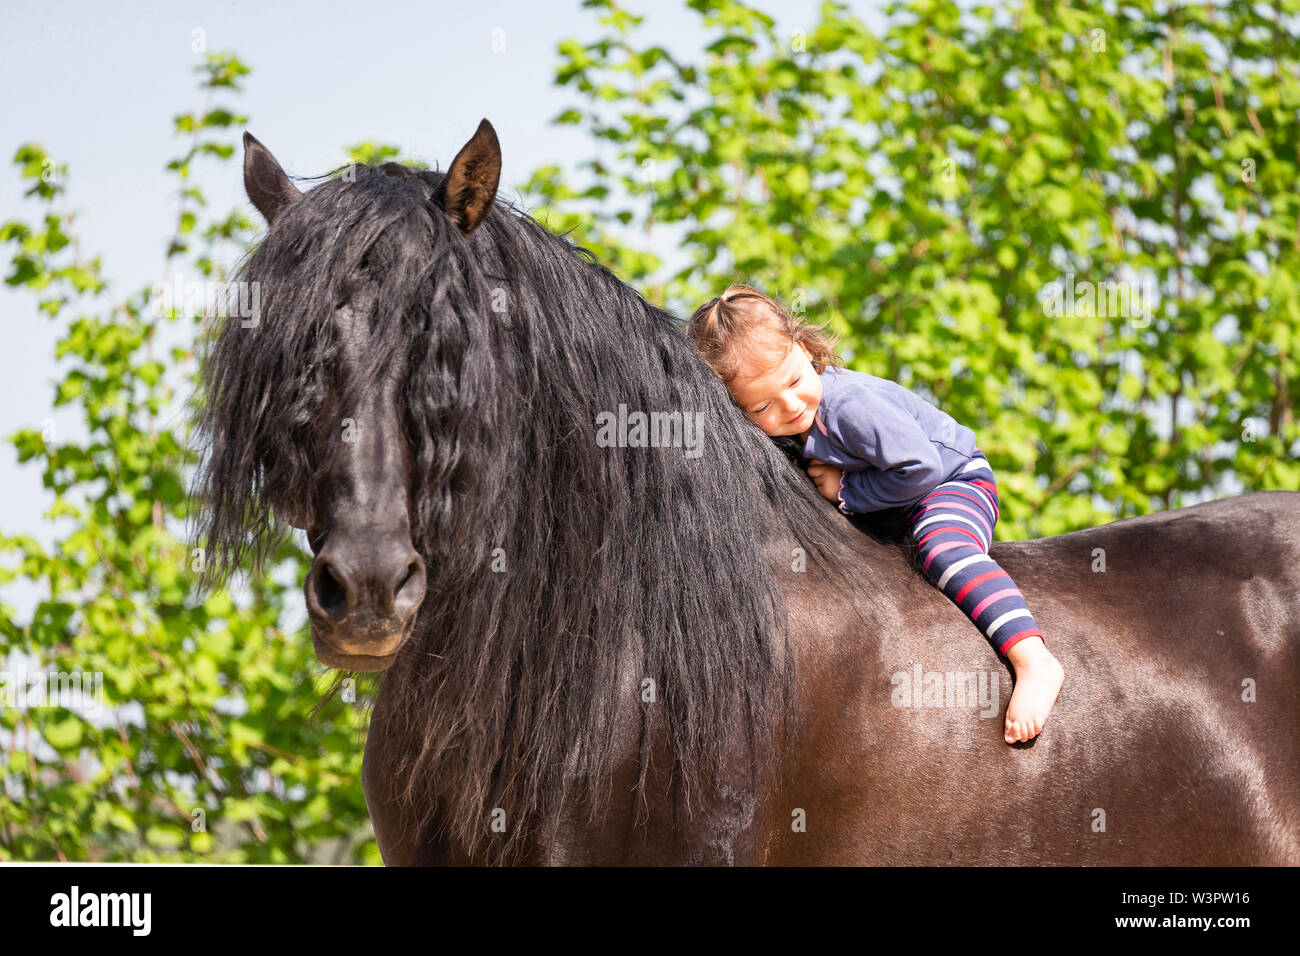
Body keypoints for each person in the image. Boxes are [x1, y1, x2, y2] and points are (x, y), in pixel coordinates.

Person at [686, 284, 1064, 744]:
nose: (790, 406)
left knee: (942, 548)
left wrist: (847, 490)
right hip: (902, 495)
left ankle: (1032, 658)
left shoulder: (849, 406)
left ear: (805, 350)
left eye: (792, 381)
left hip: (953, 482)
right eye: (762, 406)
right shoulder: (798, 419)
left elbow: (920, 468)